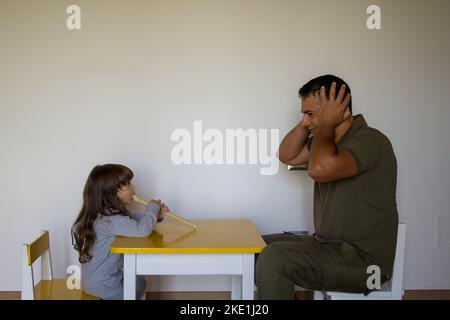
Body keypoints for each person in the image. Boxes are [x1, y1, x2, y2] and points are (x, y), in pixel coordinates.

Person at [256, 75, 398, 299]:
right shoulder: (327, 142)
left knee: (275, 258)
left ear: (340, 109)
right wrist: (311, 122)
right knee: (254, 247)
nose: (305, 120)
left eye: (310, 113)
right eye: (304, 113)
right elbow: (287, 155)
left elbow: (319, 170)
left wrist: (325, 124)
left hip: (366, 266)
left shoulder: (371, 140)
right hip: (328, 247)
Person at [71, 163, 169, 300]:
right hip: (105, 288)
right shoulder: (109, 220)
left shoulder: (106, 214)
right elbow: (142, 229)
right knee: (139, 282)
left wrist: (156, 215)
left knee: (139, 279)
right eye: (128, 184)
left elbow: (136, 219)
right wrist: (151, 208)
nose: (133, 188)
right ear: (112, 192)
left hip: (95, 283)